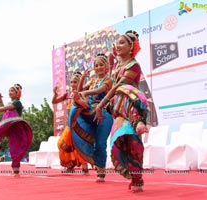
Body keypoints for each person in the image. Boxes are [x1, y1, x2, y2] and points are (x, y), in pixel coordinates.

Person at [95, 30, 149, 192]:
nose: (118, 45)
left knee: (133, 142)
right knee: (123, 142)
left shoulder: (134, 65)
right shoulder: (117, 66)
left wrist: (101, 104)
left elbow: (119, 86)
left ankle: (138, 120)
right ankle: (135, 178)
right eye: (116, 43)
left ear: (131, 46)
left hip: (132, 101)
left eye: (122, 42)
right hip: (118, 108)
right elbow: (112, 87)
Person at [69, 53, 113, 182]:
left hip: (103, 114)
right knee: (78, 105)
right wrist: (82, 78)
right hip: (90, 111)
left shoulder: (108, 80)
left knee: (100, 143)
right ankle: (80, 104)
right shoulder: (92, 81)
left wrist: (85, 92)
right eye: (96, 65)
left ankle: (101, 170)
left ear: (106, 67)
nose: (98, 67)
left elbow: (99, 91)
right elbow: (81, 89)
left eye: (101, 65)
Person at [0, 84, 33, 176]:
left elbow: (5, 108)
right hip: (8, 125)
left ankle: (16, 171)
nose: (9, 92)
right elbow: (4, 109)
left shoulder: (17, 103)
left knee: (14, 149)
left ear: (17, 93)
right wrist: (0, 100)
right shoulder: (10, 104)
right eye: (9, 91)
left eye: (12, 90)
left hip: (15, 126)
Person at [53, 72, 89, 174]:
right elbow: (55, 101)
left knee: (79, 145)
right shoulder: (68, 94)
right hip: (69, 125)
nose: (73, 84)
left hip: (79, 124)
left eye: (75, 82)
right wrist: (55, 94)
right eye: (72, 82)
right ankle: (70, 165)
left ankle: (85, 167)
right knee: (62, 144)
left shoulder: (82, 93)